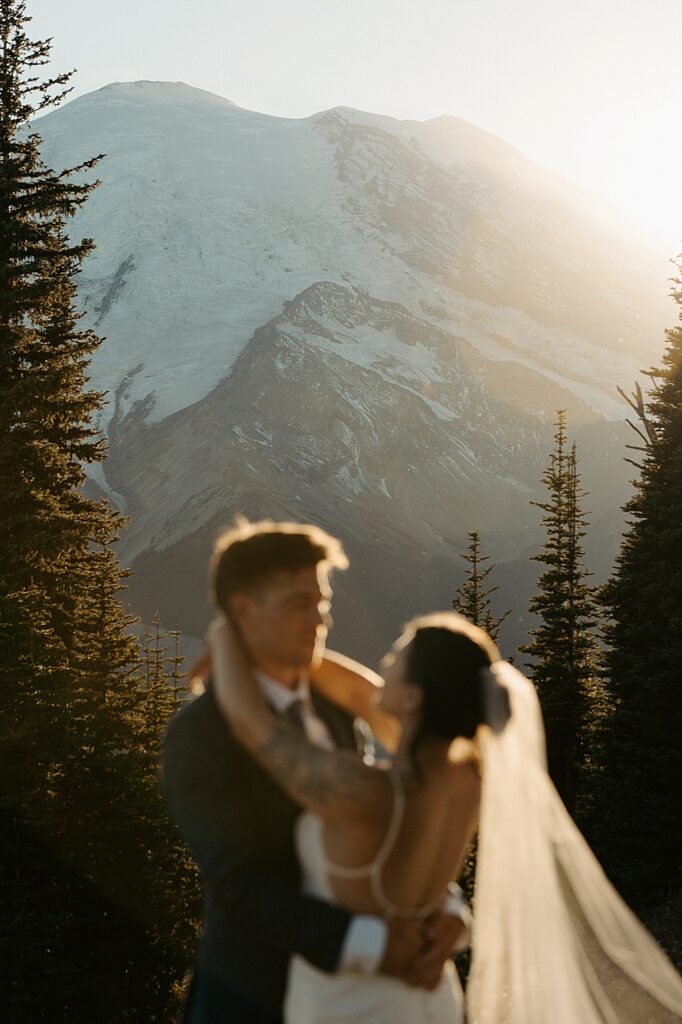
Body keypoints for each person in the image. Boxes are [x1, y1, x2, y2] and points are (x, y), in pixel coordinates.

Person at [209, 606, 682, 1024]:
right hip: (429, 1001)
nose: (383, 666)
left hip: (350, 1008)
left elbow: (255, 726)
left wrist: (229, 639)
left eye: (395, 657)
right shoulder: (466, 781)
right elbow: (363, 698)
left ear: (415, 697)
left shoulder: (366, 792)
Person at [162, 519, 469, 1024]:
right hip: (253, 1000)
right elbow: (237, 884)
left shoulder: (336, 712)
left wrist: (447, 911)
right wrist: (372, 943)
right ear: (244, 611)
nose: (319, 619)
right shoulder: (200, 736)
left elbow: (387, 828)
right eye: (298, 604)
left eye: (322, 602)